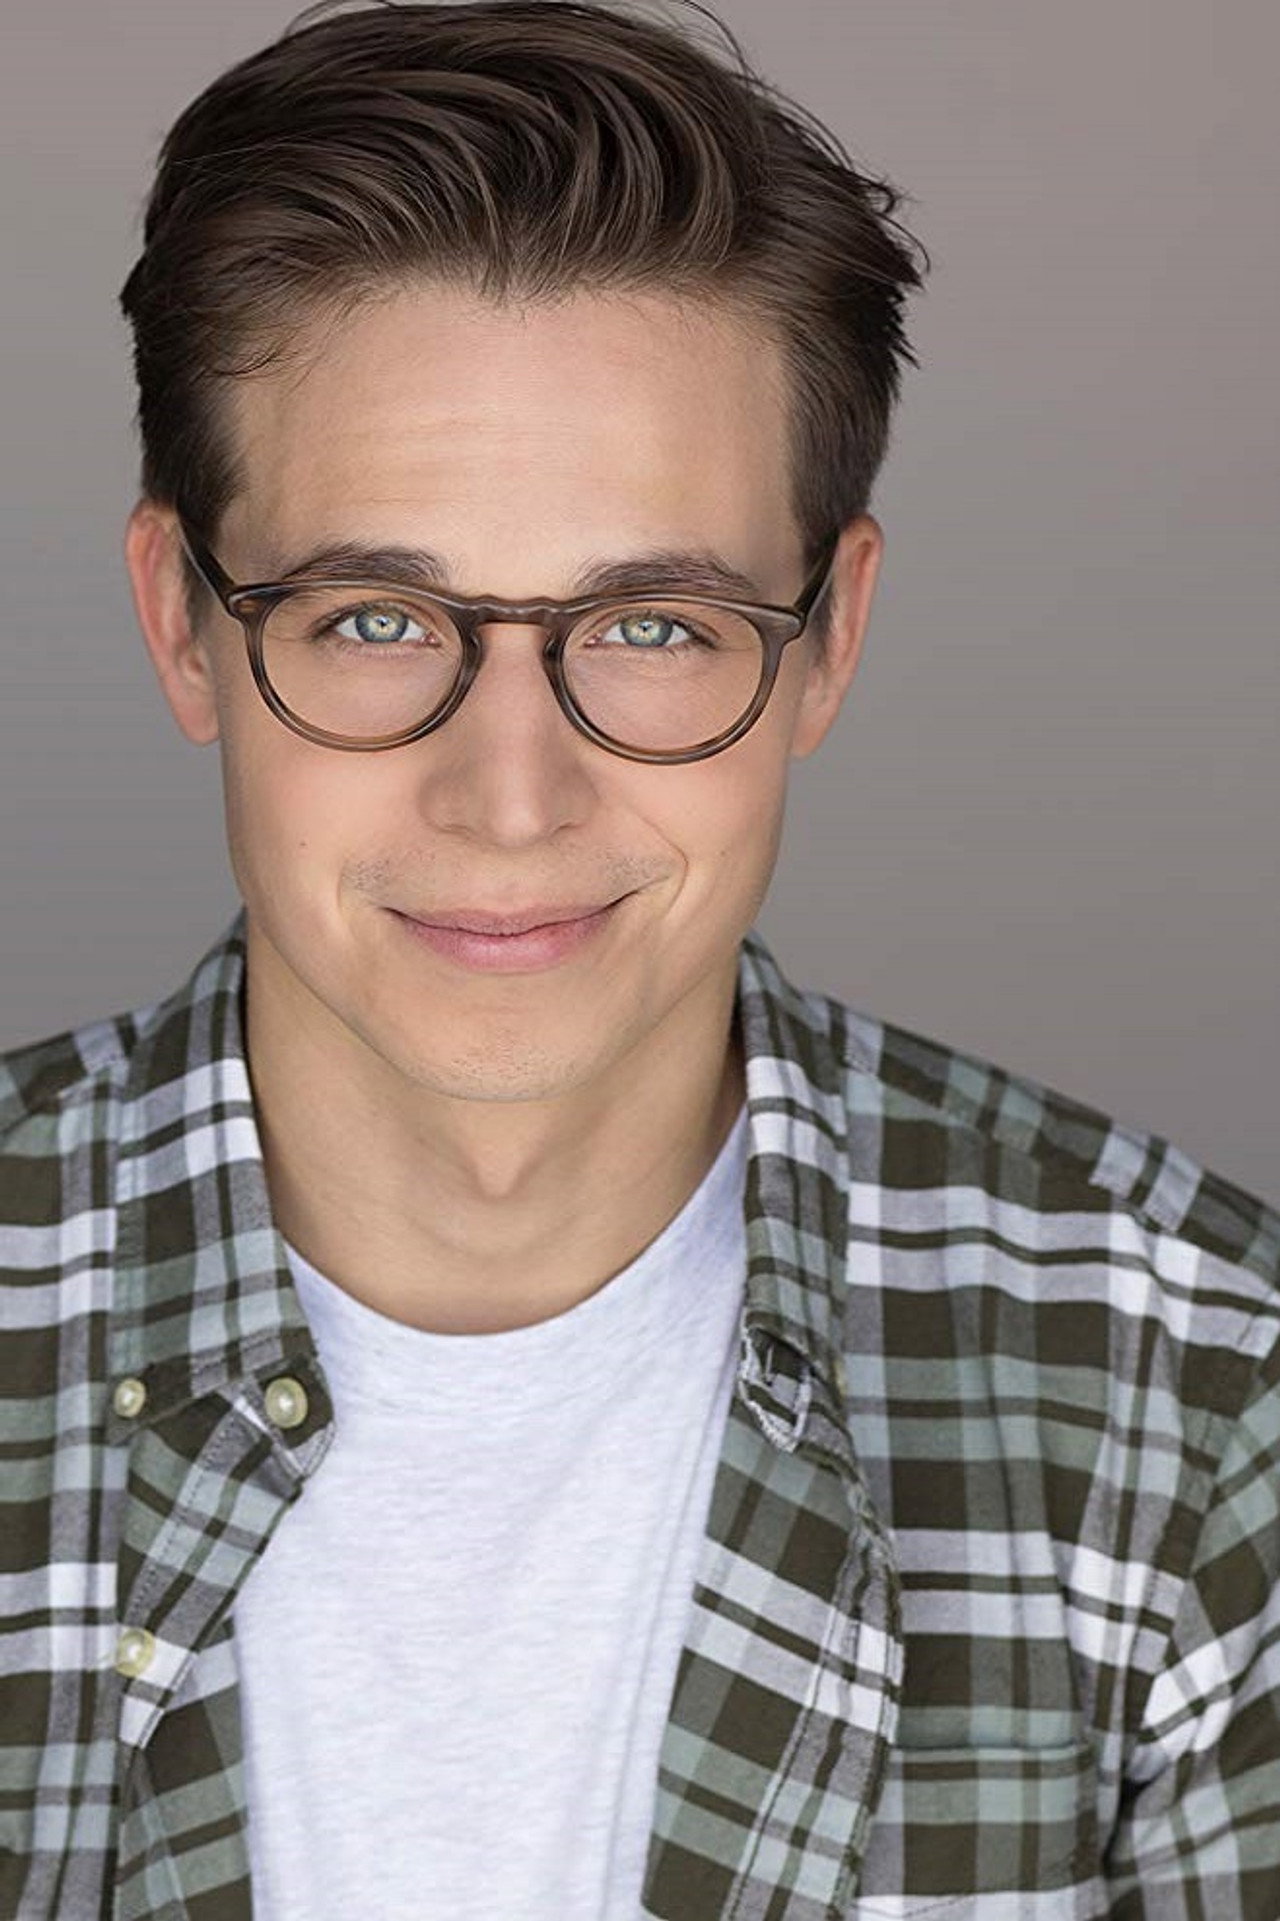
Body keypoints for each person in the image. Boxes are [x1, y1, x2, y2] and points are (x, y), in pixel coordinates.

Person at [2, 1, 1278, 1915]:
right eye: (375, 619)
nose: (510, 797)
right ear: (185, 624)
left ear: (828, 641)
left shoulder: (1207, 1394)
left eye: (655, 628)